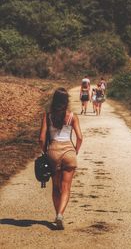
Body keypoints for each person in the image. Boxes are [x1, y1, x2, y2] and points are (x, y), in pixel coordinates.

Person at [39, 87, 83, 230]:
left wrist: (45, 152)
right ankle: (60, 215)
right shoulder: (72, 116)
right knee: (66, 188)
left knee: (56, 187)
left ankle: (57, 213)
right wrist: (74, 151)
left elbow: (41, 139)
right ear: (66, 101)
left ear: (54, 100)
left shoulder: (48, 116)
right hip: (69, 152)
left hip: (53, 151)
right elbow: (80, 138)